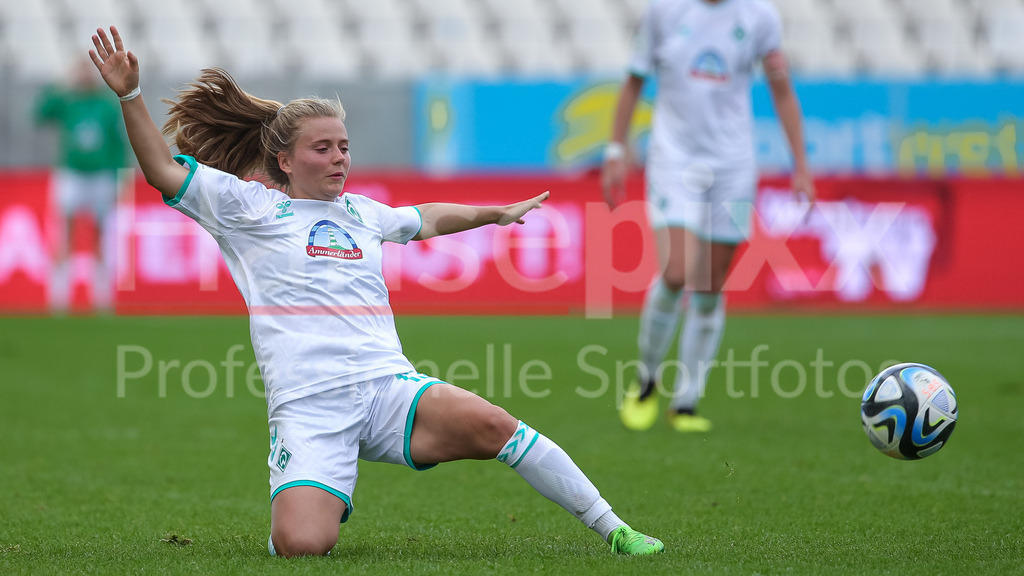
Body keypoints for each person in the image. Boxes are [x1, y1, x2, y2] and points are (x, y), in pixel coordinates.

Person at [88, 26, 663, 558]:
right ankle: (311, 491)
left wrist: (492, 213)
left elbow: (427, 218)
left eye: (343, 146)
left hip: (386, 388)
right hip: (309, 408)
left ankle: (615, 529)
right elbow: (163, 169)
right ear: (284, 160)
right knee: (302, 545)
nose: (339, 157)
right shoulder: (248, 209)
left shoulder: (362, 213)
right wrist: (129, 94)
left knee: (498, 427)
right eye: (323, 148)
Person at [601, 0, 815, 433]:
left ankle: (685, 402)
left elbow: (782, 89)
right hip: (673, 158)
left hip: (733, 164)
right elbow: (632, 82)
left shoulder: (760, 17)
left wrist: (801, 165)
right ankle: (646, 380)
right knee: (677, 271)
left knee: (711, 283)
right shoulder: (664, 11)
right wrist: (615, 151)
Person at [35, 55, 128, 313]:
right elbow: (40, 113)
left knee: (100, 234)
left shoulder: (106, 104)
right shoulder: (68, 101)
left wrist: (118, 175)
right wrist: (62, 84)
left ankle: (102, 300)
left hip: (100, 176)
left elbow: (118, 142)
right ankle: (58, 300)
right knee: (64, 232)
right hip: (71, 174)